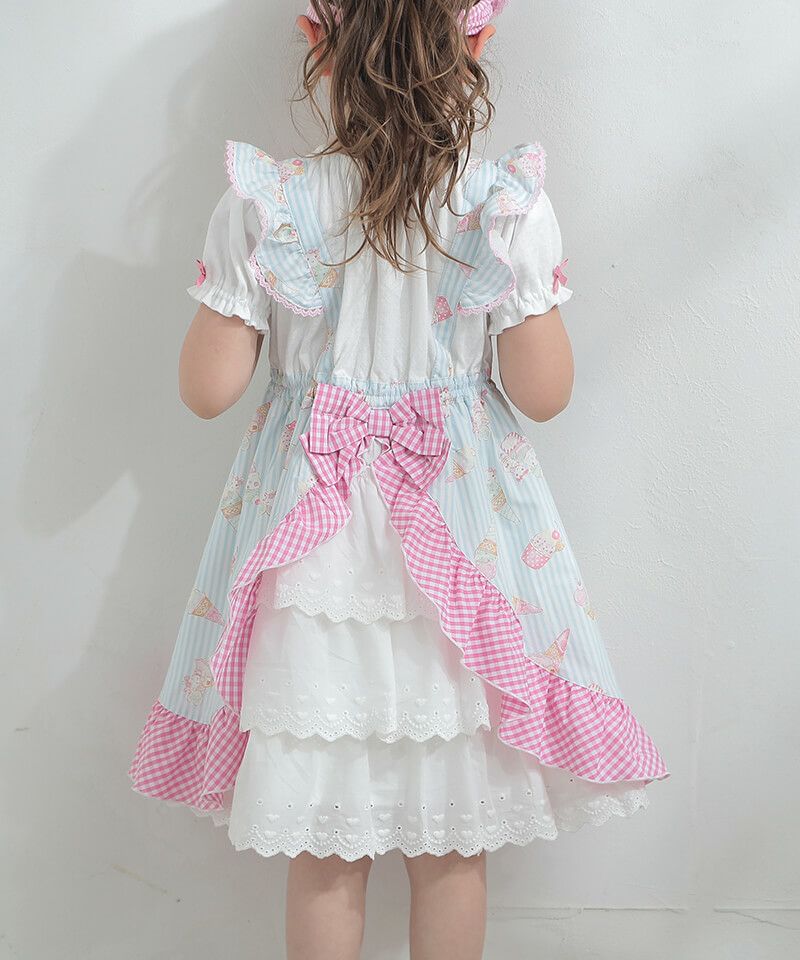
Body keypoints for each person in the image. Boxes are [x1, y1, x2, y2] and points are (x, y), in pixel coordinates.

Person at [128, 2, 668, 957]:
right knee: (450, 844)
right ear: (476, 41)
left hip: (315, 560)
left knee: (324, 844)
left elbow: (206, 391)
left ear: (317, 42)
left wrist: (238, 294)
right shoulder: (502, 205)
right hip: (458, 555)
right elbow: (545, 394)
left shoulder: (268, 204)